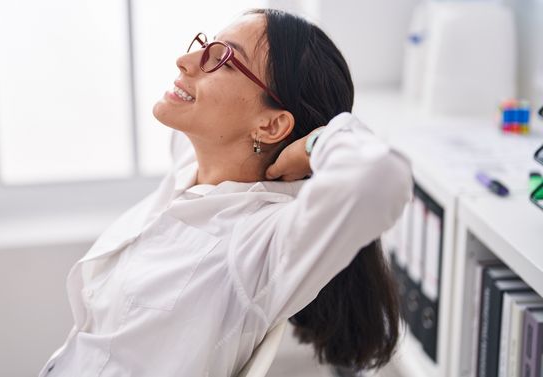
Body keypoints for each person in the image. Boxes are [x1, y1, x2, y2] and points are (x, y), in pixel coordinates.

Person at [39, 8, 413, 377]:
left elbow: (379, 176)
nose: (185, 61)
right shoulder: (193, 165)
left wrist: (317, 141)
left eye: (224, 59)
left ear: (271, 125)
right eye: (207, 46)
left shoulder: (256, 242)